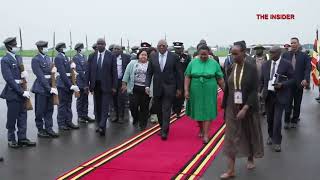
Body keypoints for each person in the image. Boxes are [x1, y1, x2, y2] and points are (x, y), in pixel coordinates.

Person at [221, 44, 264, 179]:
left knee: (249, 133)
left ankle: (250, 157)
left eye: (236, 54)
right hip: (231, 107)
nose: (233, 57)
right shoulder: (230, 67)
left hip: (248, 107)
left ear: (243, 53)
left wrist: (245, 108)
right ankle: (231, 170)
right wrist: (225, 107)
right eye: (231, 54)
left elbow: (253, 91)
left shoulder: (251, 68)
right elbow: (228, 88)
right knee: (230, 137)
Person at [0, 37, 36, 148]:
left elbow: (21, 74)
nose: (17, 47)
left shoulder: (18, 57)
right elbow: (9, 79)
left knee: (22, 116)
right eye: (15, 45)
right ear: (9, 46)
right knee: (12, 116)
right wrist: (21, 92)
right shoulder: (5, 60)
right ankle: (11, 139)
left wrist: (24, 74)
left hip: (22, 89)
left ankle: (22, 138)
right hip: (13, 92)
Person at [184, 45, 224, 144]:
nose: (203, 56)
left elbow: (220, 78)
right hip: (195, 89)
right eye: (201, 54)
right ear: (198, 54)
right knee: (197, 110)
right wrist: (186, 90)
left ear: (209, 53)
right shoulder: (192, 63)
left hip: (209, 89)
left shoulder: (214, 63)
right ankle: (201, 128)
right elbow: (187, 76)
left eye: (205, 54)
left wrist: (226, 90)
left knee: (208, 110)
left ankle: (206, 134)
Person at [145, 39, 183, 140]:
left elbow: (179, 73)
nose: (161, 47)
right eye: (160, 46)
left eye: (163, 45)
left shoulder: (173, 57)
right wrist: (147, 85)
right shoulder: (153, 57)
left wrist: (179, 88)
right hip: (157, 88)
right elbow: (149, 73)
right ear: (157, 47)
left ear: (166, 46)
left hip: (170, 87)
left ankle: (165, 131)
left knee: (166, 109)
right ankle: (162, 127)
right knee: (158, 110)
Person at [260, 46, 294, 152]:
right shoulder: (265, 65)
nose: (271, 54)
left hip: (280, 96)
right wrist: (260, 91)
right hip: (268, 96)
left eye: (273, 52)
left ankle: (277, 142)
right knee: (270, 119)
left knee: (277, 120)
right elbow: (261, 81)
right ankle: (270, 135)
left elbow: (293, 79)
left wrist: (282, 84)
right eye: (270, 52)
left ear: (279, 53)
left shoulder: (286, 64)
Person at [86, 38, 117, 136]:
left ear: (105, 45)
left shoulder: (111, 56)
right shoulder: (92, 56)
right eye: (98, 44)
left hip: (107, 86)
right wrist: (86, 85)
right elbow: (88, 72)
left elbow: (114, 72)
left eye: (101, 44)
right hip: (96, 85)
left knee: (104, 106)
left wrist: (114, 86)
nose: (99, 45)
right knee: (97, 107)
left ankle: (102, 125)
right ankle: (99, 124)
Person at [31, 40, 59, 138]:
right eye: (45, 47)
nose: (46, 49)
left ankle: (49, 128)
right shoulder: (35, 60)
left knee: (49, 109)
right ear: (40, 48)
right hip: (41, 88)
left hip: (50, 86)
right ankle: (40, 129)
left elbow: (50, 73)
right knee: (40, 110)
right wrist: (49, 88)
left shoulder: (47, 58)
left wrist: (54, 71)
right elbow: (40, 76)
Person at [282, 37, 311, 129]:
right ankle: (286, 121)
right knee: (287, 103)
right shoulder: (285, 55)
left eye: (294, 43)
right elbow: (281, 68)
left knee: (297, 103)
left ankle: (294, 120)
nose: (293, 44)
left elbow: (307, 69)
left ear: (298, 44)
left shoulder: (304, 56)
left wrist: (306, 79)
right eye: (292, 43)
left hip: (299, 83)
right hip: (288, 84)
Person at [122, 49, 151, 130]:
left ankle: (143, 124)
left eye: (145, 55)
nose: (143, 56)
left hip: (145, 90)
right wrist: (124, 83)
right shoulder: (132, 63)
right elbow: (126, 73)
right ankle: (136, 117)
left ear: (147, 56)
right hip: (134, 88)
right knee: (133, 106)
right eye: (142, 54)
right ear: (138, 55)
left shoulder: (150, 64)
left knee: (144, 107)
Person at [55, 42, 80, 131]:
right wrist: (70, 85)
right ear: (60, 49)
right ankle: (61, 123)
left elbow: (69, 72)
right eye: (64, 47)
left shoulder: (65, 57)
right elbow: (62, 73)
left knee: (68, 104)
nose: (66, 48)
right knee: (62, 105)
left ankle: (68, 121)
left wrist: (72, 66)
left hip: (68, 83)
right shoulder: (58, 58)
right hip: (63, 84)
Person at [72, 43, 95, 123]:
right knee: (80, 99)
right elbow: (79, 71)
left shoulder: (85, 57)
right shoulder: (76, 58)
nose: (84, 49)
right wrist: (86, 79)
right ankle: (80, 116)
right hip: (80, 81)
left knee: (85, 99)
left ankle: (85, 115)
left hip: (85, 81)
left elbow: (87, 68)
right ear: (79, 49)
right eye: (82, 48)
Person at [111, 45, 131, 123]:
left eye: (118, 49)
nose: (116, 50)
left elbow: (129, 70)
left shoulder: (126, 57)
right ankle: (116, 115)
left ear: (121, 50)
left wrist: (127, 82)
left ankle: (121, 117)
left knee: (121, 100)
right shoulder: (110, 57)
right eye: (114, 49)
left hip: (122, 81)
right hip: (113, 82)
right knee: (114, 100)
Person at [172, 41, 191, 118]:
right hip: (172, 79)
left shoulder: (186, 57)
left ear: (182, 48)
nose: (178, 50)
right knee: (173, 96)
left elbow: (189, 68)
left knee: (180, 97)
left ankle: (178, 111)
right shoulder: (171, 56)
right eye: (176, 49)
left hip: (182, 79)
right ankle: (174, 109)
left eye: (179, 48)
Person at [253, 45, 268, 116]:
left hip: (264, 79)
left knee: (263, 95)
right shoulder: (253, 58)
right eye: (257, 49)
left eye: (259, 49)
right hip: (255, 80)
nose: (258, 51)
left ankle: (264, 109)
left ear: (262, 50)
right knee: (256, 95)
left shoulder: (265, 58)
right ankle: (257, 109)